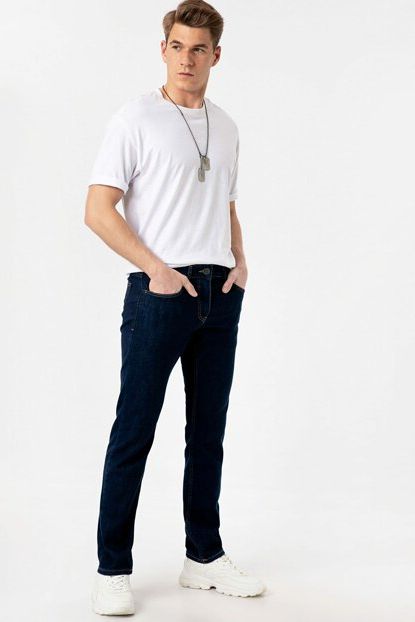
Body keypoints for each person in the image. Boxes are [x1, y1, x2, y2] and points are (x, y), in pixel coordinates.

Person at [85, 0, 266, 614]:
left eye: (199, 49)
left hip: (221, 293)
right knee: (134, 430)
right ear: (163, 50)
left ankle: (203, 557)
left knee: (208, 434)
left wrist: (240, 261)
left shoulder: (227, 126)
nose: (187, 59)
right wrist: (156, 269)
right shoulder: (134, 118)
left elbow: (227, 203)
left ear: (216, 56)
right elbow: (98, 210)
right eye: (178, 47)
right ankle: (113, 568)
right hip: (160, 294)